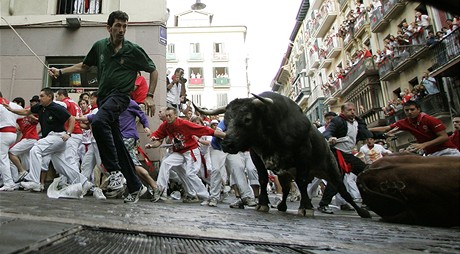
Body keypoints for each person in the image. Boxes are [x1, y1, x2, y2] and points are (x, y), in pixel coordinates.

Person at [48, 10, 159, 203]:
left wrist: (149, 95)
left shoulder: (133, 50)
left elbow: (153, 70)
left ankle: (114, 171)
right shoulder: (100, 47)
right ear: (109, 28)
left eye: (125, 26)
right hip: (104, 98)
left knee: (98, 123)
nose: (122, 30)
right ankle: (135, 187)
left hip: (120, 97)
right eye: (118, 25)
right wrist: (60, 71)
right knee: (117, 143)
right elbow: (84, 66)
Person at [2, 88, 92, 194]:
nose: (39, 98)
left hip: (58, 136)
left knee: (36, 149)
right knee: (61, 166)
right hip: (52, 139)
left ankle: (34, 181)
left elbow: (71, 118)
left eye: (42, 96)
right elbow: (26, 111)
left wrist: (68, 133)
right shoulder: (40, 107)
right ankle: (84, 182)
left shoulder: (56, 107)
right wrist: (11, 110)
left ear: (49, 97)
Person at [146, 107, 226, 203]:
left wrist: (225, 135)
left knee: (190, 174)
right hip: (179, 152)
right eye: (166, 116)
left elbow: (206, 130)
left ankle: (206, 196)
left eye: (170, 115)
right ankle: (161, 190)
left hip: (191, 151)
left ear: (175, 115)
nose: (168, 118)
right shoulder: (165, 126)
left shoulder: (184, 123)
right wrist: (151, 144)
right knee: (166, 162)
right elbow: (157, 139)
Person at [318, 102, 373, 214]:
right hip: (337, 154)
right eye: (349, 110)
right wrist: (331, 137)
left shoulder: (357, 122)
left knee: (365, 172)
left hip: (348, 154)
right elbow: (328, 132)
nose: (352, 112)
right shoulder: (337, 121)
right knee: (336, 179)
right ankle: (323, 204)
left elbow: (366, 133)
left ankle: (368, 201)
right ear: (342, 112)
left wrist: (383, 135)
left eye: (353, 109)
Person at [369, 100, 460, 156]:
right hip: (430, 154)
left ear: (418, 109)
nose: (409, 112)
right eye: (407, 110)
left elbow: (444, 137)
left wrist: (423, 145)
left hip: (447, 151)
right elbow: (386, 128)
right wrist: (366, 129)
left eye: (412, 109)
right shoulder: (405, 122)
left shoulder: (430, 119)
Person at [8, 97, 40, 184]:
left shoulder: (30, 111)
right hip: (27, 138)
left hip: (31, 138)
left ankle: (22, 172)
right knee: (26, 159)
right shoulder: (18, 115)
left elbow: (34, 116)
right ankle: (27, 178)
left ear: (19, 105)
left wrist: (33, 117)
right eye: (32, 102)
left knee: (11, 153)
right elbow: (18, 127)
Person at [0, 92, 23, 191]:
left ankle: (8, 182)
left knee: (3, 159)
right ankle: (8, 180)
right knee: (5, 158)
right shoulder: (12, 104)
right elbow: (24, 114)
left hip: (3, 133)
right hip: (12, 133)